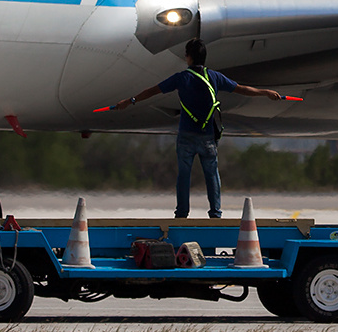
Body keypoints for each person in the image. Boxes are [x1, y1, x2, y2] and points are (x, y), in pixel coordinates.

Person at [111, 38, 282, 218]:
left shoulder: (181, 78)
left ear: (189, 57)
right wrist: (266, 92)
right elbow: (241, 89)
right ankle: (215, 213)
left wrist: (130, 101)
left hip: (186, 136)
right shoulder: (214, 77)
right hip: (208, 137)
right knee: (212, 175)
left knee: (183, 176)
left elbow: (153, 90)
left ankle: (182, 213)